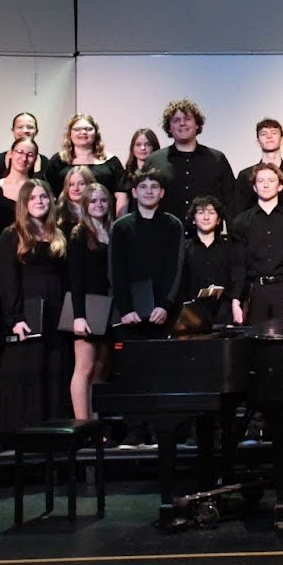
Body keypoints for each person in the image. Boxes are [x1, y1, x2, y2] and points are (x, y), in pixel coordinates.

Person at [0, 180, 71, 434]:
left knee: (54, 368)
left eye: (44, 197)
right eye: (33, 198)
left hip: (56, 311)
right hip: (27, 313)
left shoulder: (58, 234)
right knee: (29, 368)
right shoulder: (12, 235)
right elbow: (7, 280)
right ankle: (26, 430)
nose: (39, 201)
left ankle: (54, 427)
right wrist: (15, 317)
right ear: (24, 204)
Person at [228, 162, 283, 332]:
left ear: (280, 186)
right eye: (260, 181)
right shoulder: (241, 222)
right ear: (254, 186)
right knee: (255, 349)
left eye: (271, 180)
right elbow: (238, 266)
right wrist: (236, 300)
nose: (265, 185)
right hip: (255, 292)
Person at [109, 169, 186, 343]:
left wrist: (164, 306)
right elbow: (116, 271)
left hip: (163, 313)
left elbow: (175, 269)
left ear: (162, 192)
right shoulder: (121, 227)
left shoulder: (173, 225)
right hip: (130, 315)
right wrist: (125, 309)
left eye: (154, 187)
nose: (149, 191)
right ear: (135, 193)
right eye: (143, 187)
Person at [146, 98, 238, 225]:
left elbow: (231, 202)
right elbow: (143, 202)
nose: (182, 123)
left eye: (188, 119)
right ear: (169, 128)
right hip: (165, 238)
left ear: (197, 125)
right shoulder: (155, 161)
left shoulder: (217, 159)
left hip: (209, 241)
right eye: (176, 120)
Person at [67, 183, 116, 421]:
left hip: (108, 306)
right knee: (84, 368)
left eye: (103, 201)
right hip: (87, 305)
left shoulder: (113, 231)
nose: (99, 205)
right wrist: (78, 316)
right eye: (93, 201)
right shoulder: (79, 234)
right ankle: (82, 424)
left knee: (101, 369)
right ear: (86, 205)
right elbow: (75, 278)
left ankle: (95, 423)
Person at [47, 114, 129, 217]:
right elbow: (49, 194)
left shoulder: (111, 162)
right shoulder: (58, 161)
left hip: (103, 222)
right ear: (69, 134)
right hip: (66, 221)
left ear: (96, 133)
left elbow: (121, 197)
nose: (83, 132)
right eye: (77, 129)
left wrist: (119, 226)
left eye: (88, 129)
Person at [182, 196, 242, 326]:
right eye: (201, 212)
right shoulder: (184, 249)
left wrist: (235, 303)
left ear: (218, 219)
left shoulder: (230, 248)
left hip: (223, 312)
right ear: (193, 219)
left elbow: (237, 277)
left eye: (211, 212)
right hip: (192, 314)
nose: (206, 217)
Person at [233, 118, 283, 217]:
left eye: (274, 132)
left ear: (282, 140)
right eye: (263, 133)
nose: (269, 136)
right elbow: (238, 214)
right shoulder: (246, 176)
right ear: (257, 142)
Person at [0, 138, 39, 234]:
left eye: (30, 155)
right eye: (20, 152)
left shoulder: (37, 189)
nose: (24, 158)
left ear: (36, 158)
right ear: (10, 154)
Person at [0, 112, 44, 182]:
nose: (25, 130)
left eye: (30, 127)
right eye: (20, 127)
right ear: (13, 130)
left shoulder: (44, 162)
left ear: (36, 131)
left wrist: (37, 173)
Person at [52, 164, 96, 239]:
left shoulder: (98, 211)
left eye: (81, 184)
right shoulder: (57, 213)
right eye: (71, 184)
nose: (76, 188)